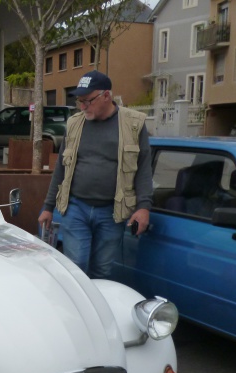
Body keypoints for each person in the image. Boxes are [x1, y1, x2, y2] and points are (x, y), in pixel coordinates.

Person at [38, 70, 152, 279]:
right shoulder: (74, 124)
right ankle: (76, 310)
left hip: (112, 211)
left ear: (106, 96)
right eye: (80, 101)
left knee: (102, 269)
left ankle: (97, 311)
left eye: (87, 101)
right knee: (77, 266)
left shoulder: (133, 124)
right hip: (76, 207)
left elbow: (144, 169)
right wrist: (48, 207)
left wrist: (143, 207)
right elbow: (61, 168)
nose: (82, 106)